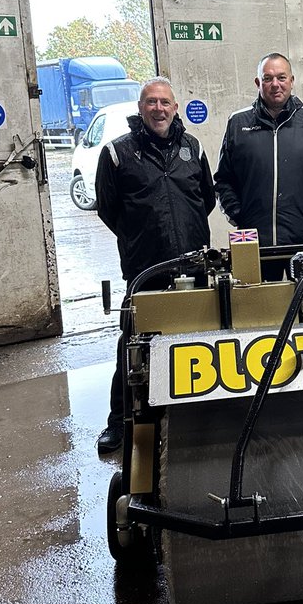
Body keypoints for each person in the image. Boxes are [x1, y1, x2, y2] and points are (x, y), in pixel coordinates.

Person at [94, 76, 215, 452]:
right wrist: (139, 238)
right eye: (151, 102)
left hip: (193, 265)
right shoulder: (117, 153)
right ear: (140, 108)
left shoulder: (192, 148)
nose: (158, 109)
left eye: (165, 102)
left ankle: (197, 415)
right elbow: (108, 209)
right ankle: (119, 421)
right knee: (132, 342)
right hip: (144, 268)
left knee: (195, 338)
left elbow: (205, 200)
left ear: (175, 108)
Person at [214, 53, 303, 277]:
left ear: (292, 81)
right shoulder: (238, 122)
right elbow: (224, 179)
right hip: (254, 243)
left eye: (281, 77)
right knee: (259, 308)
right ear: (258, 83)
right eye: (267, 78)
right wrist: (239, 215)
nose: (275, 84)